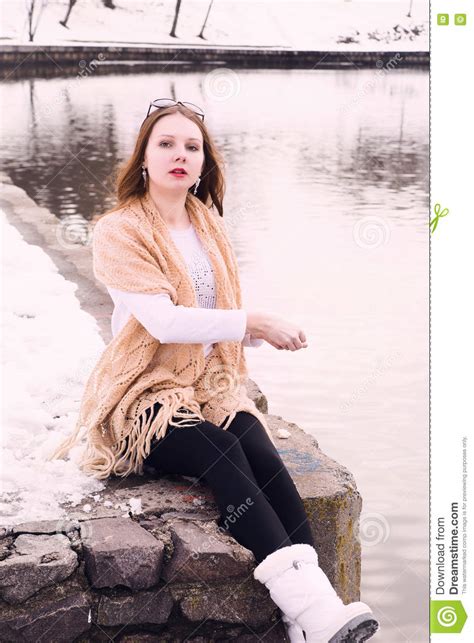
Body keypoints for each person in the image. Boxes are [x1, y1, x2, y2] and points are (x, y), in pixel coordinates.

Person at [48, 99, 378, 642]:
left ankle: (310, 617)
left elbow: (208, 314)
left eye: (192, 146)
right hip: (144, 397)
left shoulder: (207, 224)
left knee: (261, 451)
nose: (180, 154)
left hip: (206, 387)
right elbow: (162, 321)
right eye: (166, 143)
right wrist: (252, 320)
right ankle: (316, 613)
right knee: (219, 452)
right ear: (145, 157)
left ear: (204, 163)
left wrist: (253, 331)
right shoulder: (119, 230)